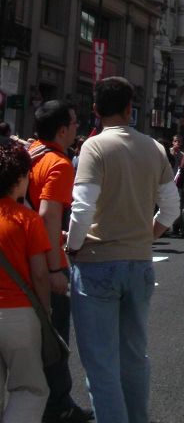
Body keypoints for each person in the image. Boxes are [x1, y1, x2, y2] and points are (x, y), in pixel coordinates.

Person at [66, 77, 179, 423]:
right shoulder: (155, 148)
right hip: (139, 262)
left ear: (96, 110)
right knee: (134, 357)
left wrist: (72, 245)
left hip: (97, 262)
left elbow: (83, 207)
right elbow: (172, 208)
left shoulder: (94, 147)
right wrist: (148, 235)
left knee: (101, 364)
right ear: (131, 109)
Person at [27, 100, 93, 423]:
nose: (78, 127)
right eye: (74, 122)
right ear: (63, 130)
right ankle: (58, 405)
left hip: (18, 256)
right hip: (44, 261)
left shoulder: (30, 154)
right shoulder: (59, 164)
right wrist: (55, 267)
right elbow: (48, 215)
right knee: (54, 337)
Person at [0, 140, 51, 422]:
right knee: (30, 388)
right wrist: (46, 310)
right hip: (18, 312)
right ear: (19, 178)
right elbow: (40, 274)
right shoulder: (27, 219)